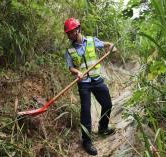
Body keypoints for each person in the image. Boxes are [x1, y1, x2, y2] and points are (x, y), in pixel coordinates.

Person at [64, 18, 116, 156]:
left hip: (97, 80)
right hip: (84, 84)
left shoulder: (92, 41)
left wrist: (111, 46)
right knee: (85, 112)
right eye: (68, 33)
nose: (70, 35)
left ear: (78, 29)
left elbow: (107, 44)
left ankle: (103, 128)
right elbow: (70, 67)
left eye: (71, 32)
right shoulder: (70, 50)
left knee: (107, 104)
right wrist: (78, 72)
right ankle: (86, 141)